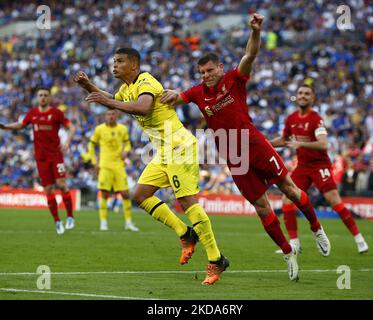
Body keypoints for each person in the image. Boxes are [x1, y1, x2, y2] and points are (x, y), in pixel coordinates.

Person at [161, 14, 330, 281]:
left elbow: (249, 55)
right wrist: (169, 95)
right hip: (233, 155)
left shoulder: (234, 79)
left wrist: (256, 31)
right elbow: (178, 98)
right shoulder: (196, 92)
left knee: (289, 188)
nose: (206, 76)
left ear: (220, 67)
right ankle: (288, 253)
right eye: (202, 73)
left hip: (254, 144)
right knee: (262, 207)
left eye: (210, 70)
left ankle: (316, 226)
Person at [74, 48, 228, 285]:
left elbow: (144, 107)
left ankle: (216, 259)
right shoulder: (126, 89)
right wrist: (89, 86)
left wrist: (109, 100)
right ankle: (185, 233)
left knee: (187, 201)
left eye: (120, 61)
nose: (114, 65)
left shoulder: (146, 81)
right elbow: (112, 99)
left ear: (133, 65)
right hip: (164, 152)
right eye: (114, 61)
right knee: (141, 195)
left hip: (179, 147)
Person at [269, 84, 369, 254]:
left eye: (307, 93)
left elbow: (323, 144)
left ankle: (359, 240)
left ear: (312, 98)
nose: (303, 96)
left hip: (319, 166)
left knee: (334, 201)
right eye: (300, 93)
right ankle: (294, 244)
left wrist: (301, 143)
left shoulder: (316, 119)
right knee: (287, 200)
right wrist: (265, 144)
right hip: (302, 166)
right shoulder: (292, 118)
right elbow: (284, 139)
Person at [0, 87, 76, 235]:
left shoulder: (56, 113)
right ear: (37, 98)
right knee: (48, 190)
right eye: (40, 95)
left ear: (49, 98)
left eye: (45, 95)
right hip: (41, 159)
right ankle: (57, 221)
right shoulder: (33, 114)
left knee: (62, 185)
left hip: (56, 156)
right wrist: (6, 127)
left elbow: (71, 127)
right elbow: (21, 124)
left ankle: (70, 217)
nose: (42, 97)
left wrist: (67, 141)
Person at [88, 109, 139, 232]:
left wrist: (126, 151)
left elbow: (127, 144)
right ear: (105, 116)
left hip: (118, 165)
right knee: (105, 194)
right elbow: (91, 145)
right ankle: (103, 222)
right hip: (104, 165)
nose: (110, 116)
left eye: (113, 114)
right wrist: (94, 162)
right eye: (108, 114)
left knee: (125, 194)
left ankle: (128, 222)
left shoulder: (122, 129)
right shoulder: (99, 129)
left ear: (117, 115)